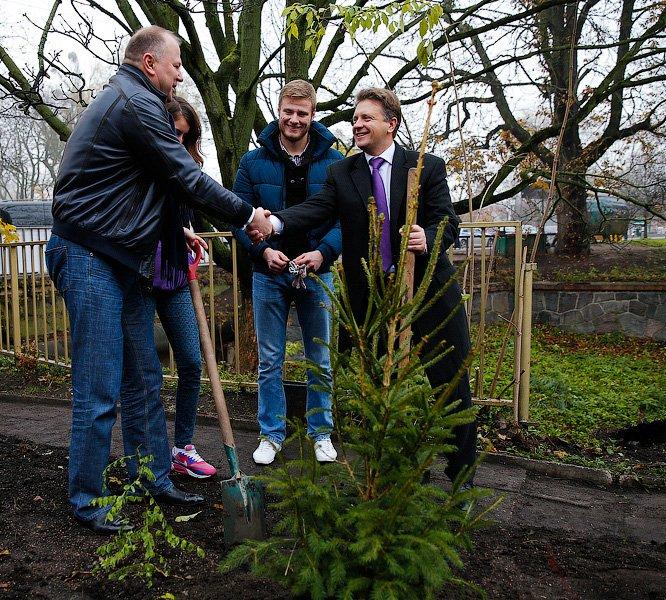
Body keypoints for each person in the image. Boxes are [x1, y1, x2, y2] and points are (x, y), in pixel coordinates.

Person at [46, 25, 272, 533]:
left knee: (144, 377)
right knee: (100, 384)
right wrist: (247, 214)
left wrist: (180, 233)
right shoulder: (135, 101)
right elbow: (183, 177)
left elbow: (155, 190)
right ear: (150, 62)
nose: (179, 74)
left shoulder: (132, 99)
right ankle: (86, 498)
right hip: (88, 254)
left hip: (119, 258)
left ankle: (148, 475)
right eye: (175, 65)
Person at [249, 87, 476, 485]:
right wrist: (277, 223)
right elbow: (317, 209)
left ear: (392, 124)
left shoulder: (425, 167)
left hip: (428, 293)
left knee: (450, 381)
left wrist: (430, 234)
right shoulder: (345, 171)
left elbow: (448, 222)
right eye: (355, 118)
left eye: (366, 118)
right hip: (373, 300)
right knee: (380, 387)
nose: (357, 123)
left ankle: (461, 477)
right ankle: (388, 472)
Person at [231, 80, 343, 465]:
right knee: (270, 358)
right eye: (288, 112)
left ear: (313, 116)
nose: (294, 119)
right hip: (269, 274)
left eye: (303, 113)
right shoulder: (252, 162)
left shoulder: (334, 162)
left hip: (317, 271)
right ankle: (271, 434)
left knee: (320, 358)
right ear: (279, 111)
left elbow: (345, 217)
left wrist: (324, 252)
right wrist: (263, 252)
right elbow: (238, 220)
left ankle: (321, 432)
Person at [152, 97, 216, 479]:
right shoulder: (142, 161)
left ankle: (183, 448)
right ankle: (150, 452)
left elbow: (182, 217)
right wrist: (177, 231)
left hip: (175, 276)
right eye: (173, 131)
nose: (177, 140)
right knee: (147, 373)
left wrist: (186, 236)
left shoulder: (186, 171)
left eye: (184, 135)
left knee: (192, 362)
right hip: (141, 278)